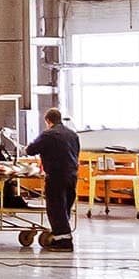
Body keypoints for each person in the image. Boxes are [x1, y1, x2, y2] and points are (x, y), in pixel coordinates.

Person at [25, 108, 81, 251]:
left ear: (48, 121)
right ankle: (61, 235)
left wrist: (25, 149)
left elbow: (31, 150)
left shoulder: (48, 135)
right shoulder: (73, 134)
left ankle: (64, 241)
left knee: (56, 207)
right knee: (65, 206)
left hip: (56, 176)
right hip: (72, 175)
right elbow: (76, 153)